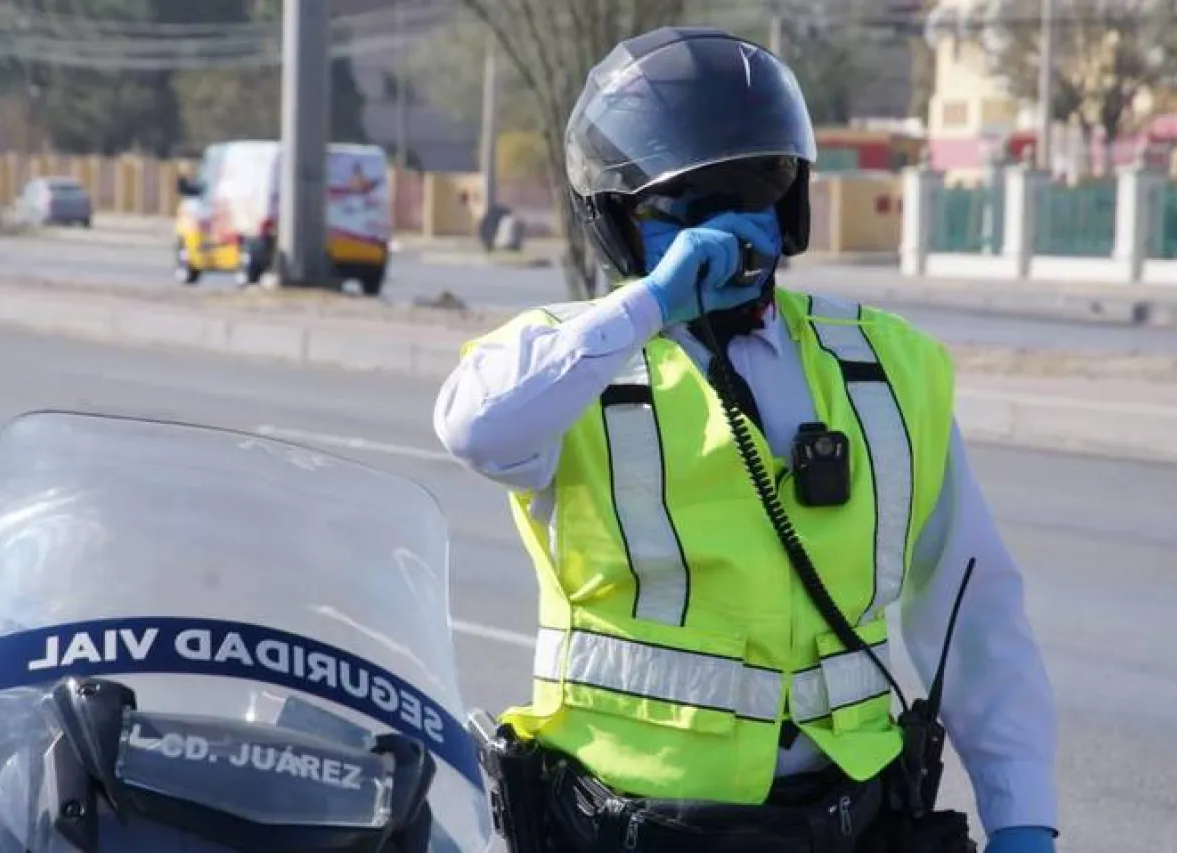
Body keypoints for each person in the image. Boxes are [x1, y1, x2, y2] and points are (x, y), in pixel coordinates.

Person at [437, 25, 1059, 853]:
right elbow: (475, 428)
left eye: (758, 190)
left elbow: (976, 612)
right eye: (684, 208)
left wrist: (1023, 817)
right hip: (635, 826)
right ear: (618, 223)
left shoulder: (889, 364)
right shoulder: (575, 359)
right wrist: (652, 304)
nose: (728, 232)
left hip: (855, 818)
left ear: (794, 202)